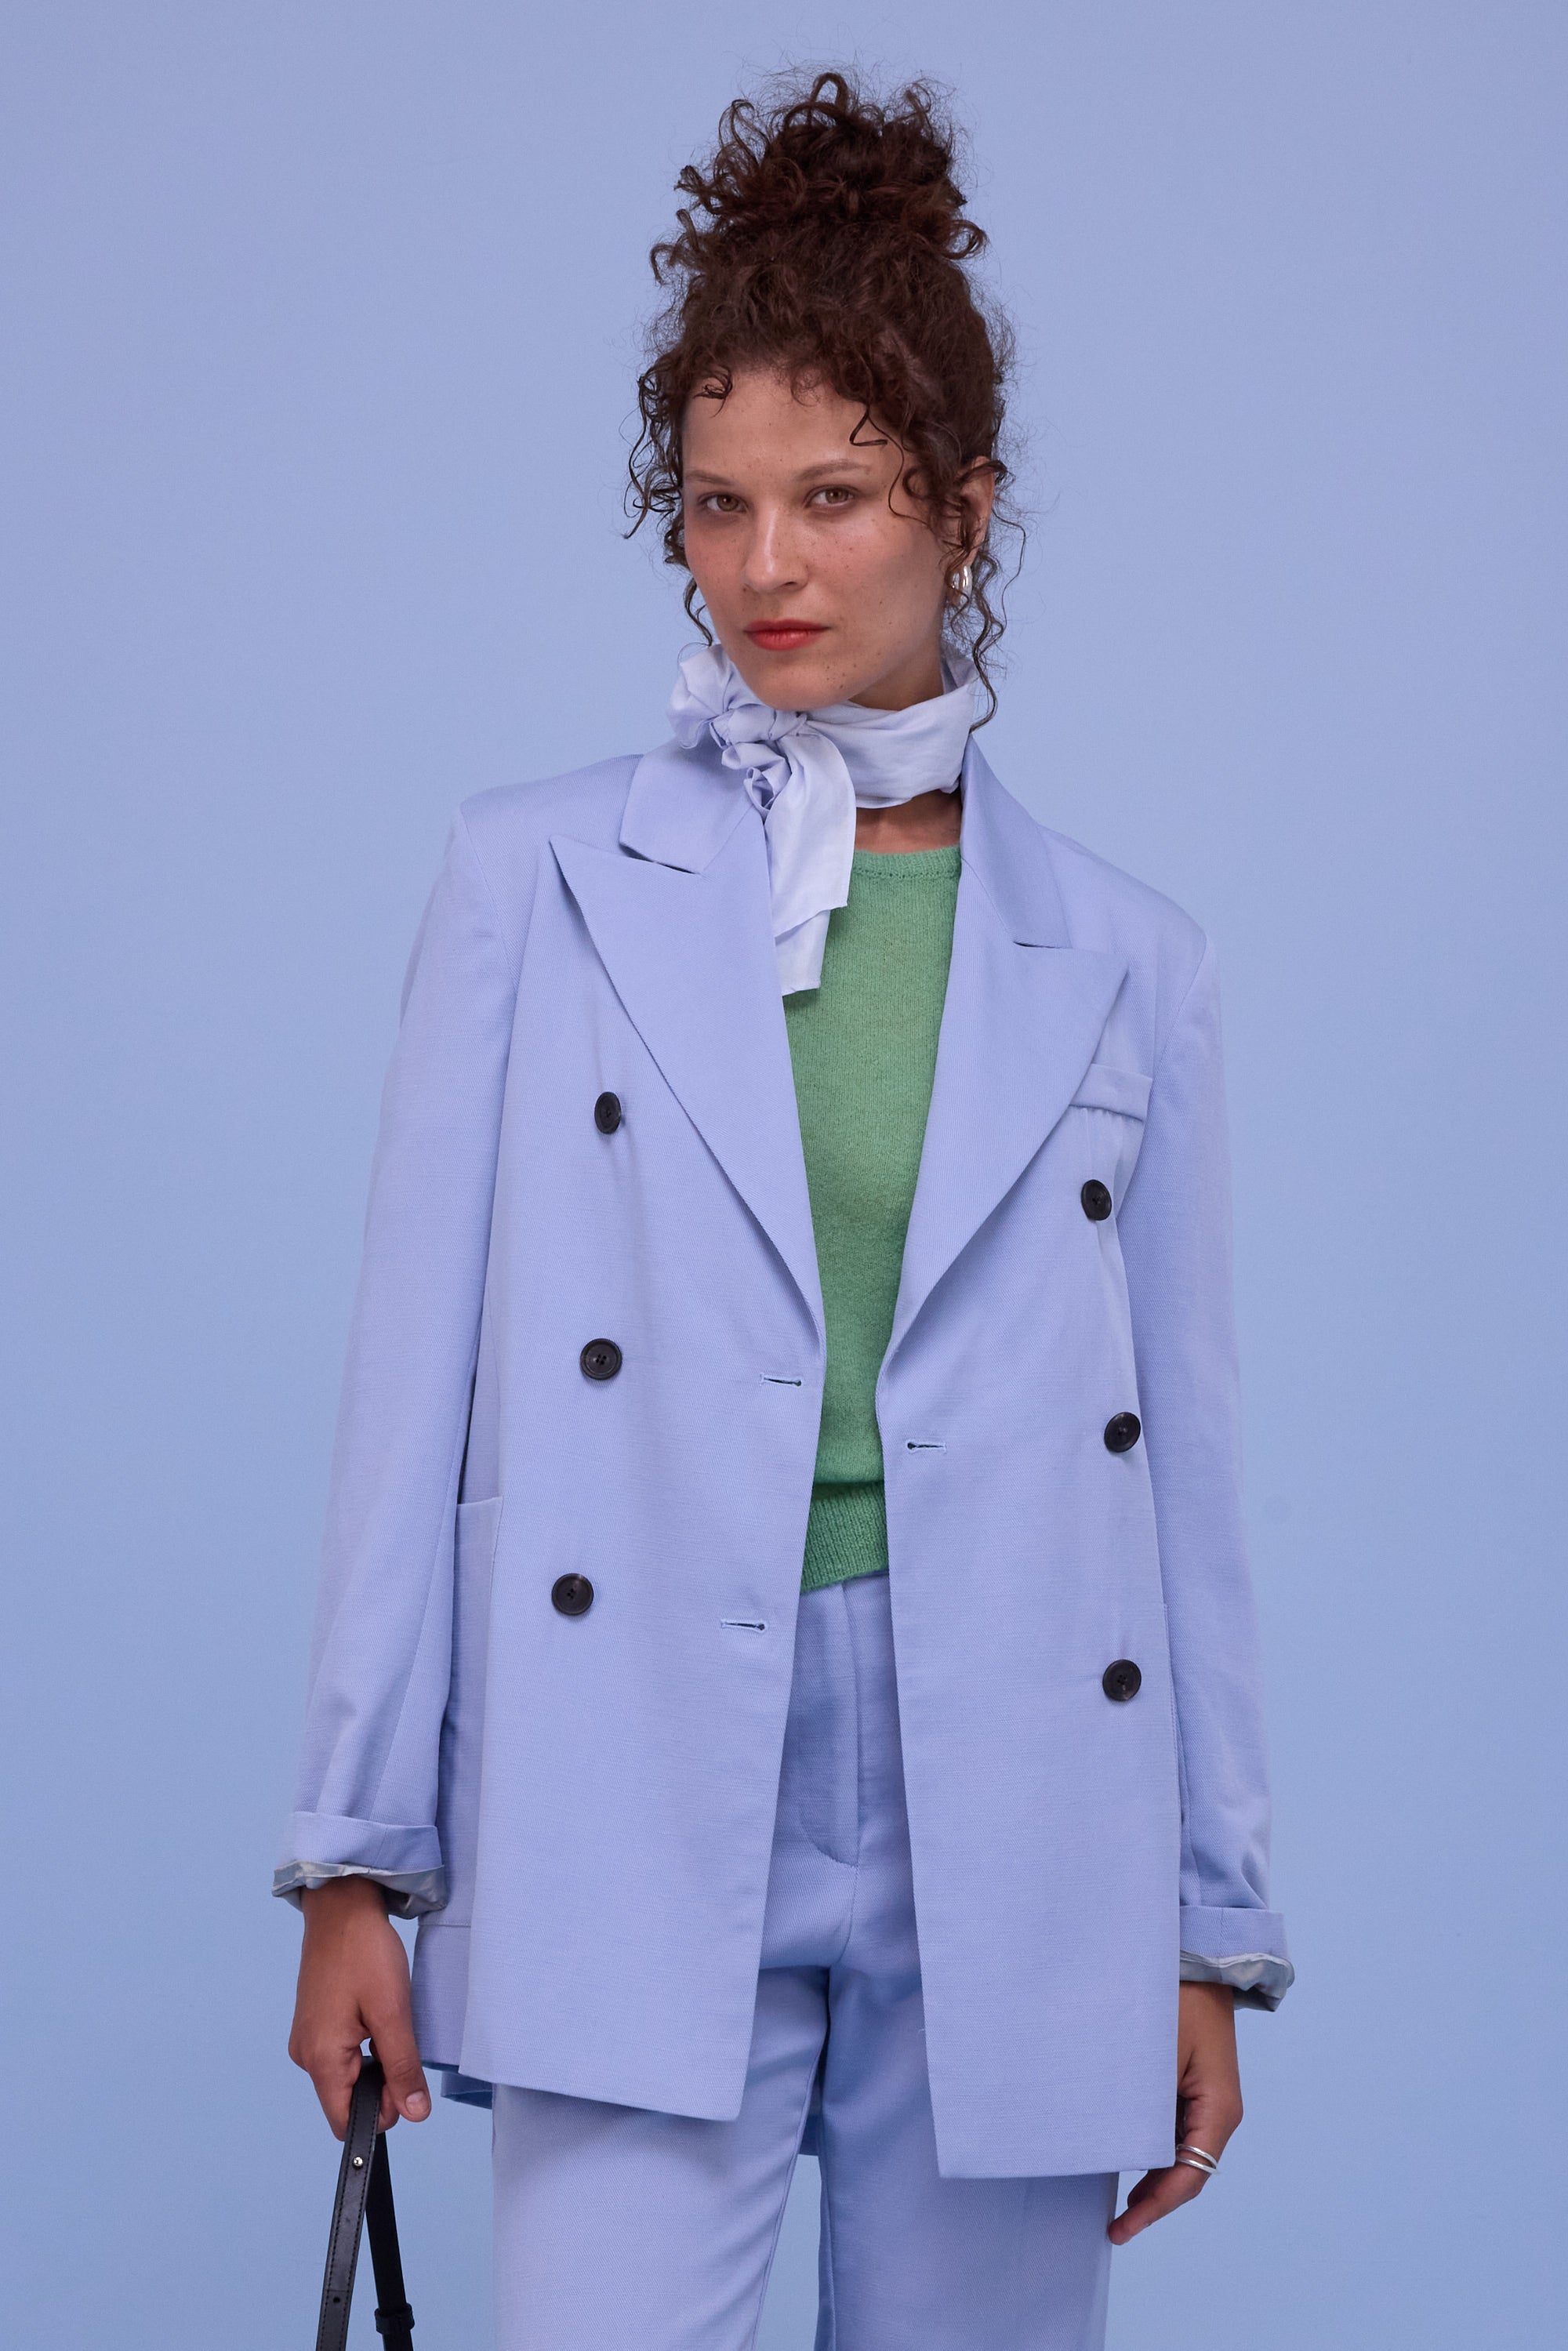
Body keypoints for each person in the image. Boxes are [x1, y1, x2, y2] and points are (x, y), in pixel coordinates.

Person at [279, 71, 1290, 2351]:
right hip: (631, 1745)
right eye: (719, 506)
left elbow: (1183, 1483)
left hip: (1011, 1791)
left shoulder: (1129, 957)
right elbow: (411, 1395)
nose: (768, 569)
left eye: (834, 499)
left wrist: (1209, 1931)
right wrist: (355, 1857)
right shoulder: (537, 878)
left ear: (965, 510)